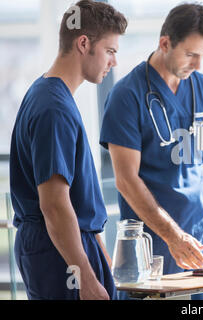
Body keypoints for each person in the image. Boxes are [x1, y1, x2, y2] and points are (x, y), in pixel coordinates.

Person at [100, 3, 203, 300]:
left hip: (202, 242)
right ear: (165, 43)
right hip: (152, 246)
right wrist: (172, 236)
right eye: (190, 54)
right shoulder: (127, 96)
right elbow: (126, 180)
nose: (198, 65)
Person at [9, 0, 127, 300]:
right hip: (57, 252)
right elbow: (55, 205)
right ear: (83, 43)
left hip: (65, 247)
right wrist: (85, 278)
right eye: (110, 51)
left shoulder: (48, 93)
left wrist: (98, 257)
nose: (113, 62)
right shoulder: (53, 109)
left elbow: (73, 200)